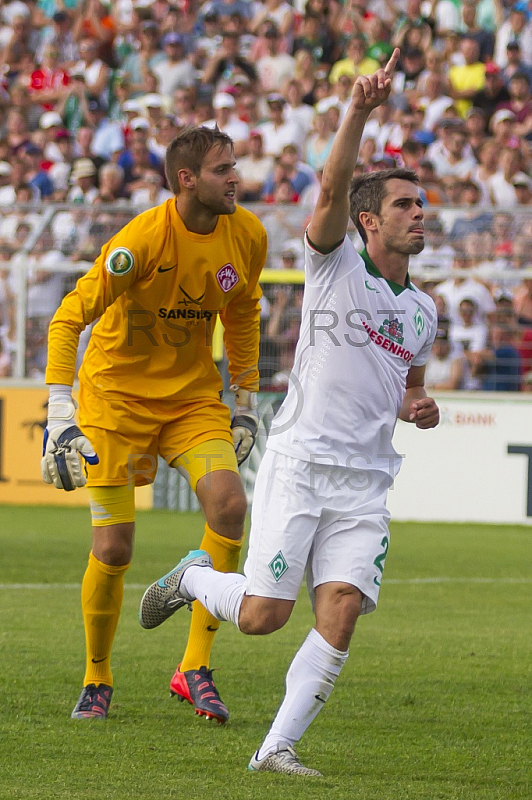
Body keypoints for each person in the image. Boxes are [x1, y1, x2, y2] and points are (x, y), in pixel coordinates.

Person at [139, 50, 440, 777]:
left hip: (366, 482)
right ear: (367, 220)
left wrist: (416, 402)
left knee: (338, 613)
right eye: (403, 204)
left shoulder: (425, 311)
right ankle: (192, 578)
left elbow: (408, 383)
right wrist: (358, 111)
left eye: (421, 205)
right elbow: (333, 181)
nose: (418, 213)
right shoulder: (334, 262)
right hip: (301, 464)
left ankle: (276, 748)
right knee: (262, 618)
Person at [41, 126, 268, 722]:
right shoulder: (141, 238)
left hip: (191, 401)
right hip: (115, 401)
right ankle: (97, 677)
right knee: (114, 549)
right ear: (187, 179)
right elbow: (68, 317)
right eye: (224, 169)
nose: (236, 178)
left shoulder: (246, 235)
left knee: (230, 506)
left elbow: (243, 314)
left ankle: (194, 668)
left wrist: (244, 400)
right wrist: (58, 412)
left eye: (235, 165)